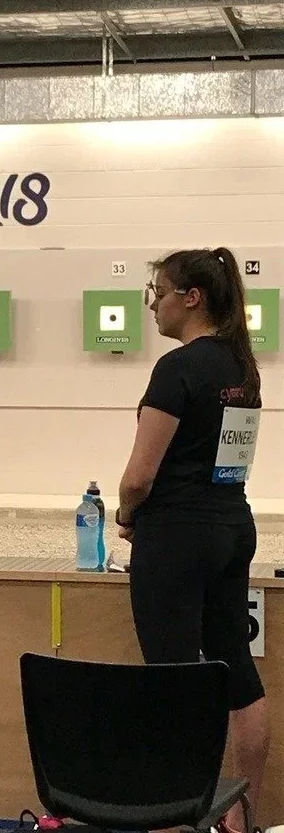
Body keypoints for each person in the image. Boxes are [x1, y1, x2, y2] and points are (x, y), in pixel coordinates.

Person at [115, 246, 268, 833]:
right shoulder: (240, 366)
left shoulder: (177, 370)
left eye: (159, 291)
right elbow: (228, 464)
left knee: (172, 680)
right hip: (231, 527)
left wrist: (128, 514)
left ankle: (175, 819)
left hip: (176, 536)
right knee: (236, 671)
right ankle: (241, 813)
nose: (153, 303)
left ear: (192, 298)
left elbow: (139, 475)